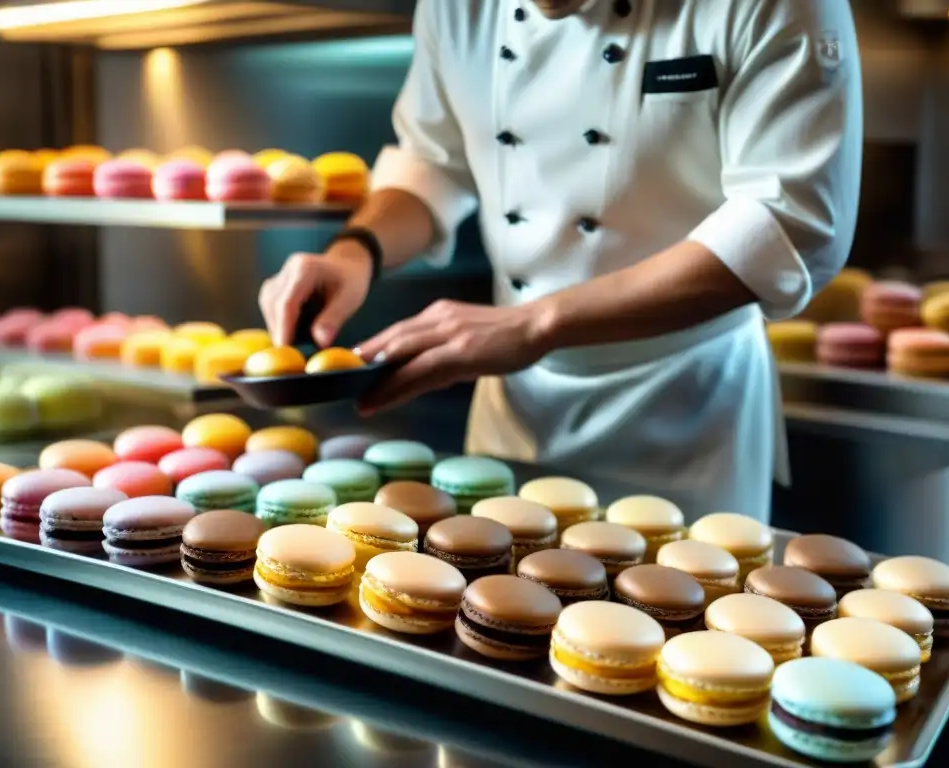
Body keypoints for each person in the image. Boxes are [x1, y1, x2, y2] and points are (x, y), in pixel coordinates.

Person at [260, 0, 863, 522]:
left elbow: (788, 221)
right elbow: (433, 161)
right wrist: (354, 252)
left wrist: (537, 322)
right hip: (514, 403)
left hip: (684, 409)